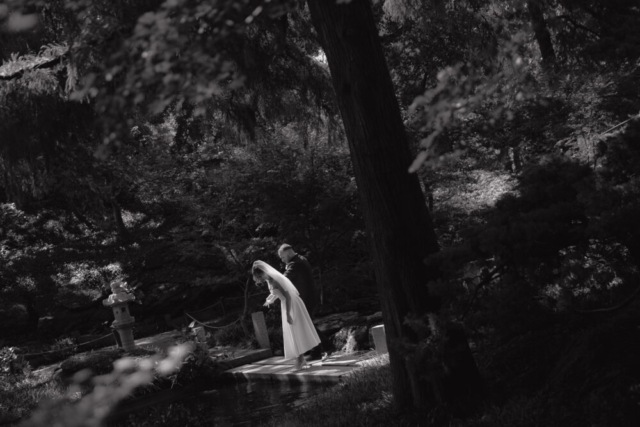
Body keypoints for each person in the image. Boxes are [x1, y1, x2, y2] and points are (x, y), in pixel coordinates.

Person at [252, 260, 320, 370]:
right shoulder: (269, 281)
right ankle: (300, 359)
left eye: (260, 275)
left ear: (264, 271)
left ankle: (300, 360)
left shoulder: (276, 280)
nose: (261, 279)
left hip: (292, 304)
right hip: (286, 304)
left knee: (294, 330)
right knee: (292, 331)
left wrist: (288, 314)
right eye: (258, 277)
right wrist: (270, 300)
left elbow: (287, 296)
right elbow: (275, 292)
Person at [278, 244, 318, 316]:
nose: (282, 260)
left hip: (304, 299)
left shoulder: (295, 264)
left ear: (289, 254)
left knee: (306, 324)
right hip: (309, 297)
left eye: (283, 257)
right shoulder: (302, 258)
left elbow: (283, 279)